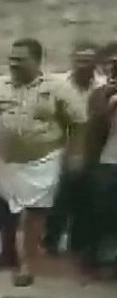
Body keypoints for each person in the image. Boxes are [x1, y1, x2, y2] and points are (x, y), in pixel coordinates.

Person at [0, 38, 87, 287]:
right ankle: (7, 254)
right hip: (4, 161)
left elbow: (78, 123)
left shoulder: (58, 88)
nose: (13, 64)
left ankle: (27, 263)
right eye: (11, 59)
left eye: (20, 59)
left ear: (37, 60)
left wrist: (77, 156)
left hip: (42, 161)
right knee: (6, 210)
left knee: (33, 214)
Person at [44, 42, 106, 256]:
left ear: (95, 63)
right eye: (79, 60)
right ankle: (49, 243)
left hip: (92, 151)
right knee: (56, 199)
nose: (83, 65)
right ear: (72, 59)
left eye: (88, 60)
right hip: (60, 148)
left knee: (85, 200)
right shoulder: (57, 83)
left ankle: (77, 247)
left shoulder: (103, 86)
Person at [83, 43, 117, 279]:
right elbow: (95, 123)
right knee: (101, 213)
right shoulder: (102, 94)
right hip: (108, 161)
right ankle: (95, 260)